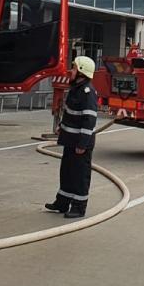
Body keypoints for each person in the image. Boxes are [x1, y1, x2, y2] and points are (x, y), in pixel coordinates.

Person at [45, 56, 99, 219]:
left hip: (80, 143)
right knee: (67, 172)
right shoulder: (75, 89)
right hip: (70, 140)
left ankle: (79, 207)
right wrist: (61, 126)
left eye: (74, 68)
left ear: (82, 72)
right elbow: (70, 113)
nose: (71, 71)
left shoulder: (87, 92)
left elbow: (89, 120)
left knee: (79, 175)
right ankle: (62, 202)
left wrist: (82, 144)